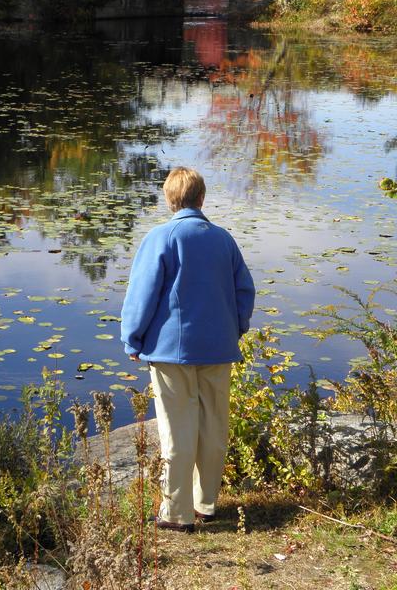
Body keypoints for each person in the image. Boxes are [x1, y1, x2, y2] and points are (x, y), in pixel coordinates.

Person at [120, 166, 255, 533]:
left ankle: (176, 513)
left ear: (170, 199)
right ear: (202, 198)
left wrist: (132, 338)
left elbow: (142, 294)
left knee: (176, 430)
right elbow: (245, 291)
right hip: (218, 347)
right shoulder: (224, 239)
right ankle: (206, 503)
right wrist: (235, 328)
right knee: (213, 426)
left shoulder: (161, 237)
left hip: (170, 352)